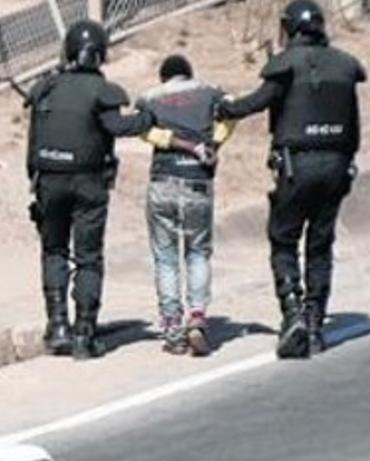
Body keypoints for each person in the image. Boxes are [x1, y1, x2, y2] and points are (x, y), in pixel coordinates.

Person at [217, 0, 366, 359]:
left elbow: (256, 102)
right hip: (337, 167)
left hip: (297, 166)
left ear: (290, 29)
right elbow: (355, 125)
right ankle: (315, 323)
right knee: (320, 245)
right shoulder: (345, 67)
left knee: (283, 239)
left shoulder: (286, 66)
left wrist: (223, 107)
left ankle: (293, 313)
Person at [25, 20, 156, 360]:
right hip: (88, 183)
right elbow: (117, 126)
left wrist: (34, 184)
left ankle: (57, 327)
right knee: (88, 257)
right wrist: (147, 118)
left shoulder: (46, 88)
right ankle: (84, 332)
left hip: (48, 180)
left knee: (53, 250)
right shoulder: (103, 91)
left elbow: (32, 144)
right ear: (99, 54)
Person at [138, 54, 233, 356]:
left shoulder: (150, 98)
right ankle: (196, 317)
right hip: (197, 182)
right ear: (189, 74)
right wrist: (213, 143)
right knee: (198, 252)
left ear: (164, 77)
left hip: (162, 181)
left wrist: (170, 141)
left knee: (166, 258)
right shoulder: (210, 91)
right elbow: (233, 112)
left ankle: (172, 330)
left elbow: (143, 131)